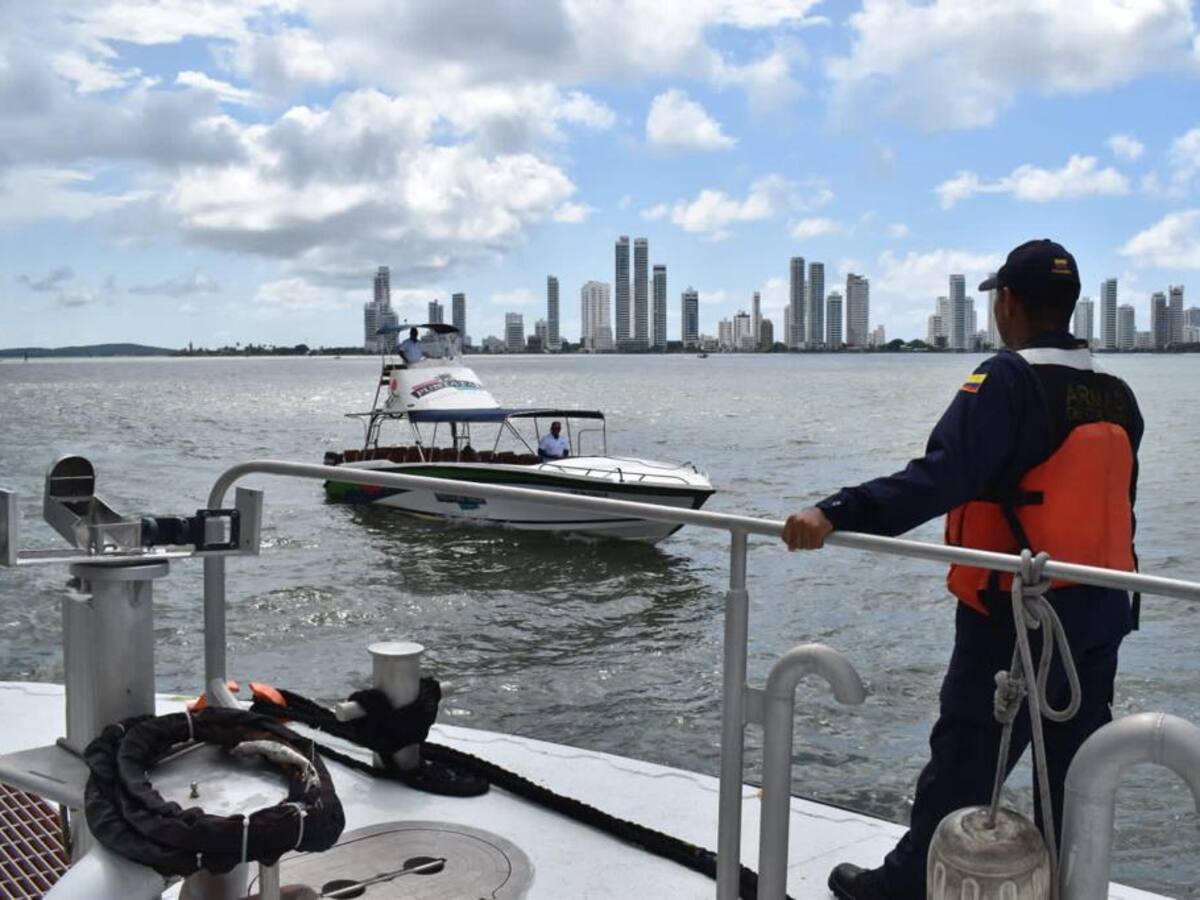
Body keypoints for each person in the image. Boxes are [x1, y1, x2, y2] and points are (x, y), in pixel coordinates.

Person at [781, 239, 1142, 900]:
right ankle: (1069, 887)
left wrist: (838, 510)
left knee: (967, 754)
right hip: (1099, 611)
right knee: (1075, 769)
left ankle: (910, 885)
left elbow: (941, 478)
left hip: (1015, 609)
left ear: (1008, 303)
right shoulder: (1115, 394)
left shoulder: (1005, 380)